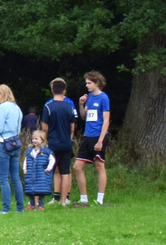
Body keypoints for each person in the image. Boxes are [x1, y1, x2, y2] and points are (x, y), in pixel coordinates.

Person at [40, 78, 78, 206]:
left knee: (54, 169)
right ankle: (63, 199)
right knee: (65, 171)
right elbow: (73, 127)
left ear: (52, 90)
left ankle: (52, 197)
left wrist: (45, 140)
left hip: (53, 144)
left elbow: (45, 127)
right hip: (66, 143)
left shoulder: (48, 106)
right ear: (64, 91)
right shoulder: (69, 106)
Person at [74, 71, 110, 206]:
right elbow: (84, 117)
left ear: (97, 83)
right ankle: (84, 199)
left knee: (99, 167)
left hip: (98, 136)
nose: (87, 86)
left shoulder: (104, 98)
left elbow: (106, 121)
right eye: (86, 83)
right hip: (87, 136)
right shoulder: (89, 97)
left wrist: (100, 140)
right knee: (77, 167)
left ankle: (100, 199)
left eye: (89, 83)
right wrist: (81, 104)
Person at [0, 84, 25, 214]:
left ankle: (6, 208)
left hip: (3, 143)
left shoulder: (2, 108)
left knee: (3, 178)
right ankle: (20, 208)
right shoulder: (17, 108)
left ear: (2, 94)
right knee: (15, 176)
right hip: (15, 142)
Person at [23, 131, 55, 210]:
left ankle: (41, 205)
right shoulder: (29, 151)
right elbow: (25, 160)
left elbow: (52, 160)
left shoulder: (46, 152)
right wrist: (25, 169)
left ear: (42, 140)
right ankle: (32, 205)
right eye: (33, 139)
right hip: (30, 174)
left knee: (41, 190)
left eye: (36, 139)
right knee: (30, 190)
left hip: (41, 174)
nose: (34, 141)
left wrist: (48, 168)